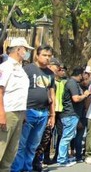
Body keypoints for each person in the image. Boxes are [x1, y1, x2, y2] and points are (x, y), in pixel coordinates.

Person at [10, 45, 54, 172]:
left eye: (49, 56)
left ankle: (27, 168)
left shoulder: (50, 73)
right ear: (37, 55)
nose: (47, 58)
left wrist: (52, 115)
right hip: (29, 110)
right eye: (44, 55)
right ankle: (17, 168)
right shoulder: (28, 69)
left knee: (33, 144)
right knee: (22, 144)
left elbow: (52, 93)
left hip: (43, 112)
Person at [0, 38, 32, 172]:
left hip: (18, 113)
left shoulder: (21, 69)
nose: (27, 53)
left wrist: (23, 114)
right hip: (8, 112)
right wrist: (1, 114)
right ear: (18, 50)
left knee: (11, 152)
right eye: (25, 49)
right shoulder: (6, 67)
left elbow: (21, 94)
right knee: (1, 147)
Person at [57, 67, 91, 167]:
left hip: (73, 114)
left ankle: (64, 158)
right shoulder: (72, 83)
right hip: (70, 114)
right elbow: (76, 98)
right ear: (80, 74)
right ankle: (62, 159)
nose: (83, 77)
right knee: (66, 137)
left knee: (68, 136)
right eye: (83, 75)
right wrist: (85, 95)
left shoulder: (74, 84)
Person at [32, 57, 63, 170]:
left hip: (46, 112)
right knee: (35, 140)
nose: (58, 69)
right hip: (36, 110)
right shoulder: (40, 75)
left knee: (45, 138)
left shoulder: (51, 79)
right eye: (56, 67)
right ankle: (32, 162)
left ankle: (38, 161)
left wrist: (52, 114)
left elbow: (52, 97)